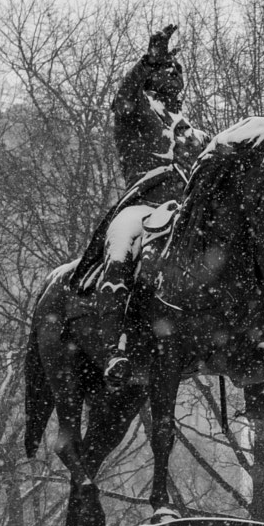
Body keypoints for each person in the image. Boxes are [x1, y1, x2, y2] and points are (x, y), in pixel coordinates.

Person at [75, 26, 210, 378]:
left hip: (181, 210)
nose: (176, 80)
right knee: (121, 250)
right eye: (168, 73)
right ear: (154, 78)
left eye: (178, 74)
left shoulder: (190, 129)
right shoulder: (136, 110)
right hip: (142, 203)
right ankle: (112, 349)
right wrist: (146, 62)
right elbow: (121, 96)